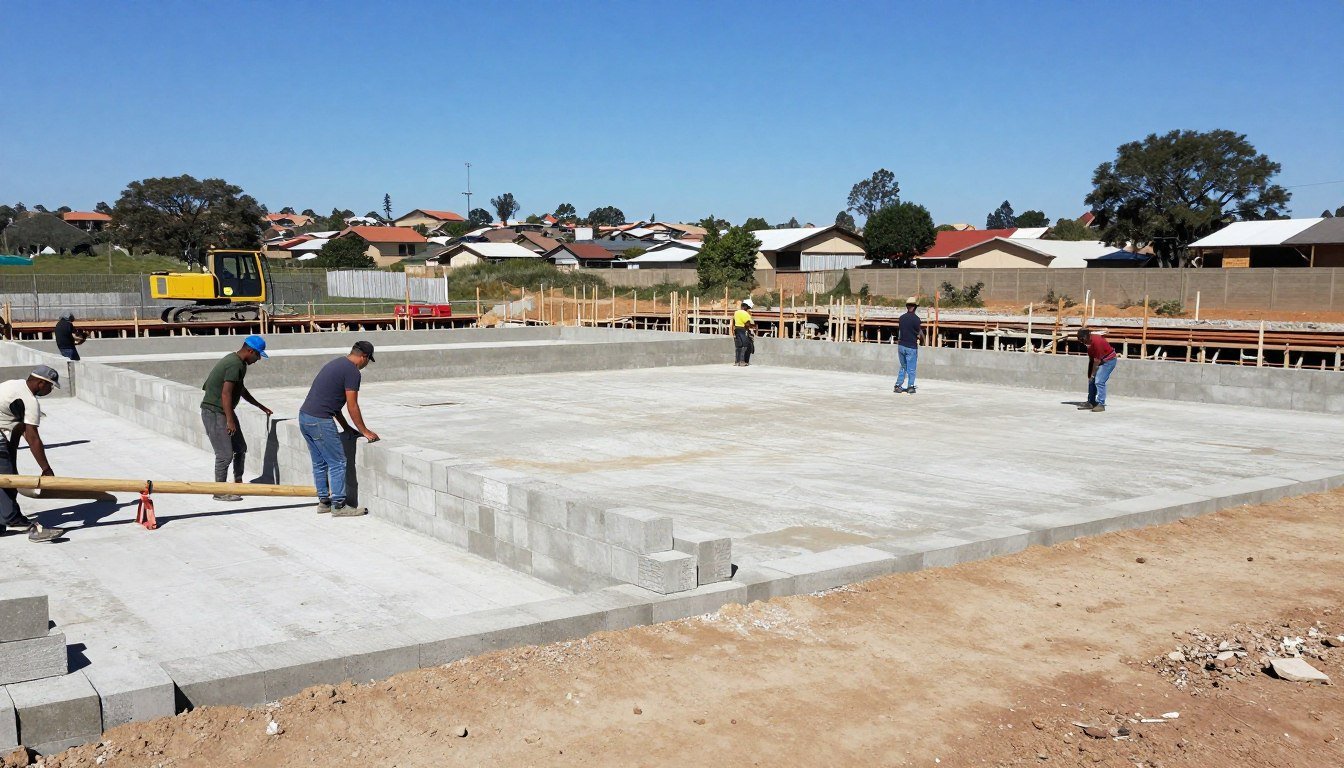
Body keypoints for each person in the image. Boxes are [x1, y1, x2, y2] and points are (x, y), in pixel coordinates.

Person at [299, 341, 380, 516]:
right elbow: (352, 406)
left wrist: (346, 428)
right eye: (368, 360)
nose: (366, 364)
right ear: (364, 357)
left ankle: (324, 502)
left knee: (320, 463)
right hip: (320, 420)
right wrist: (365, 431)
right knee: (338, 462)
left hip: (305, 417)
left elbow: (333, 403)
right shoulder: (352, 372)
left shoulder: (336, 363)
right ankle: (339, 506)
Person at [200, 336, 272, 502]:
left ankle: (238, 484)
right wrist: (230, 421)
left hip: (223, 412)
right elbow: (226, 393)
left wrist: (260, 406)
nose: (258, 359)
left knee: (240, 448)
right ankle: (219, 491)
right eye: (258, 355)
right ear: (250, 351)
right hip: (215, 412)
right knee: (224, 455)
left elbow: (240, 389)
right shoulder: (235, 364)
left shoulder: (239, 363)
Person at [0, 366, 66, 542]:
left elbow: (16, 427)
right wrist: (46, 469)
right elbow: (32, 437)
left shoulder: (12, 385)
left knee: (8, 479)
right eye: (50, 386)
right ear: (41, 383)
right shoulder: (29, 400)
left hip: (2, 439)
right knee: (6, 482)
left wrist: (11, 454)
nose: (50, 390)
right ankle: (17, 522)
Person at [1077, 328, 1118, 412]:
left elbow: (1097, 361)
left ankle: (1101, 404)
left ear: (1086, 337)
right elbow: (1092, 359)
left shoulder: (1097, 342)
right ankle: (1091, 402)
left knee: (1099, 381)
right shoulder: (1088, 343)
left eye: (1082, 340)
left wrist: (1092, 374)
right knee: (1091, 380)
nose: (1082, 342)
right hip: (1100, 360)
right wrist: (1090, 375)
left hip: (1109, 361)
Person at [893, 297, 922, 394]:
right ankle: (910, 386)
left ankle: (898, 385)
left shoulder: (901, 318)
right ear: (914, 307)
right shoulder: (917, 320)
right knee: (911, 368)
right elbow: (919, 333)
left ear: (907, 306)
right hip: (911, 346)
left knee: (903, 366)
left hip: (901, 346)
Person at [733, 299, 757, 366]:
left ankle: (737, 362)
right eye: (748, 308)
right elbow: (747, 324)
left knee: (738, 346)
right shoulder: (746, 314)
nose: (748, 309)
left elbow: (734, 322)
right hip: (743, 330)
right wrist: (749, 329)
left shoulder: (736, 312)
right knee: (745, 345)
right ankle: (742, 361)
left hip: (737, 330)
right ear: (746, 307)